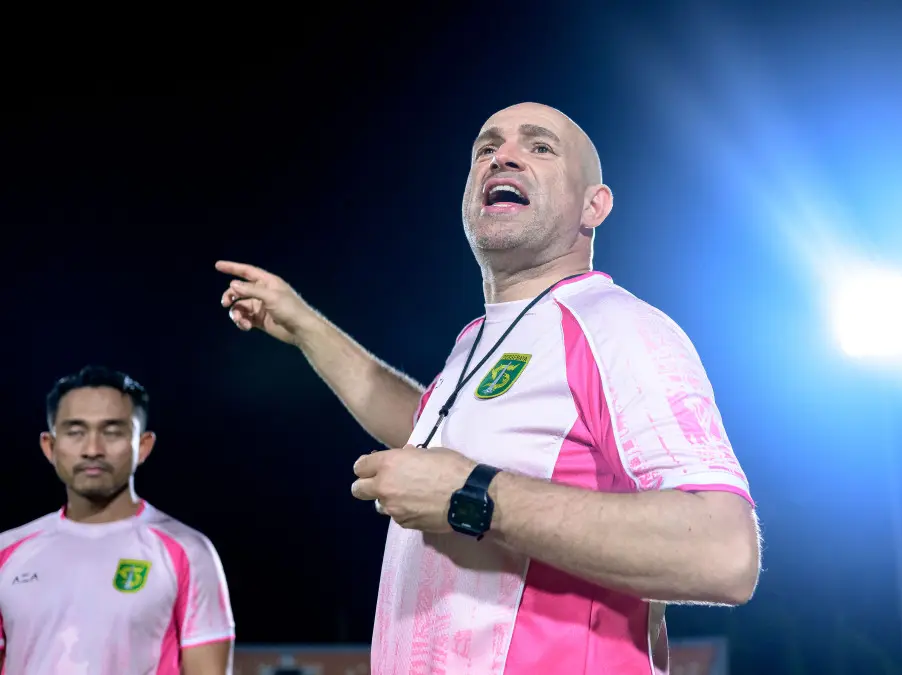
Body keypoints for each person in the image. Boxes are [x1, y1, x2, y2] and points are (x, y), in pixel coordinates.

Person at [216, 102, 759, 674]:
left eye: (539, 147)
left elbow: (724, 553)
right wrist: (305, 326)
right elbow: (422, 433)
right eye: (486, 148)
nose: (504, 157)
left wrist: (472, 495)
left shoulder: (617, 326)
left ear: (593, 206)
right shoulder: (477, 339)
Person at [0, 366, 235, 675]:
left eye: (112, 432)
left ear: (143, 446)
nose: (93, 450)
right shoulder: (7, 552)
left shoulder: (188, 552)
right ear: (50, 446)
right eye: (75, 432)